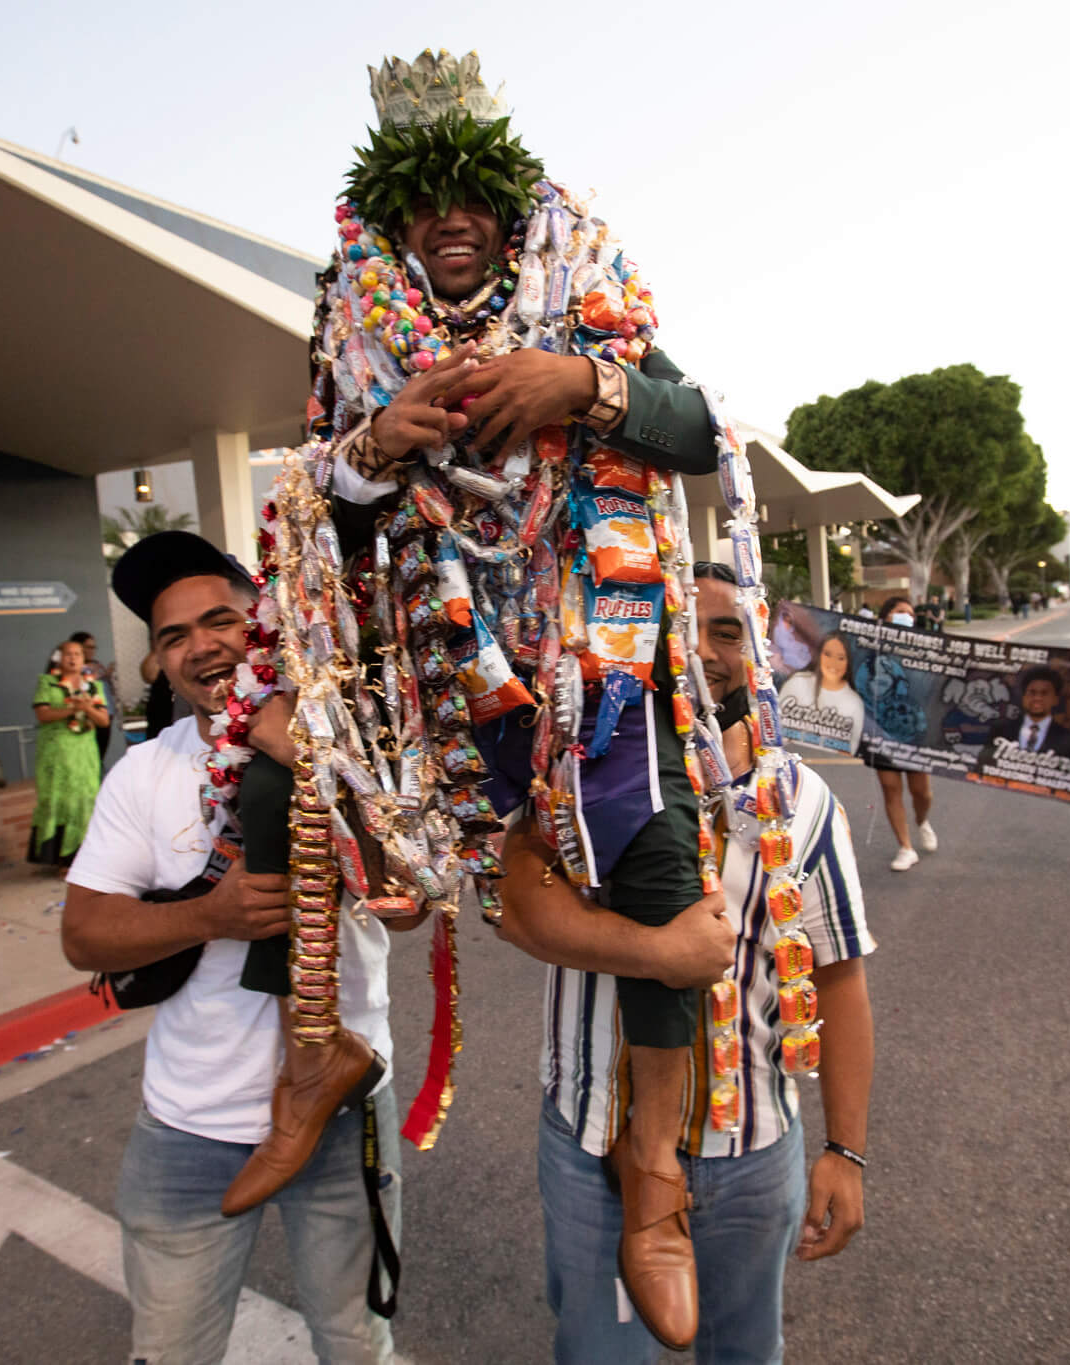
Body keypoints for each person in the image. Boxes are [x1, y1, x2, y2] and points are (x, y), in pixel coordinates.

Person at [313, 50, 747, 1346]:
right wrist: (376, 446)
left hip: (602, 659)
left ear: (511, 211)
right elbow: (326, 512)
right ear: (390, 222)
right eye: (419, 201)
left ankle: (654, 1184)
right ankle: (318, 1070)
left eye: (472, 197)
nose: (449, 219)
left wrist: (581, 386)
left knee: (660, 853)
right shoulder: (356, 328)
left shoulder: (579, 293)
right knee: (503, 885)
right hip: (459, 670)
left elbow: (701, 431)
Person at [496, 561, 876, 1364]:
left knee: (744, 1353)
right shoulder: (571, 779)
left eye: (726, 630)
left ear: (762, 650)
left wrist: (845, 1149)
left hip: (751, 1153)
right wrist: (656, 951)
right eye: (675, 628)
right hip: (592, 1143)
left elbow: (839, 978)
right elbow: (519, 910)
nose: (701, 649)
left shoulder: (804, 803)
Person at [63, 531, 411, 1364]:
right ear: (159, 664)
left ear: (261, 622)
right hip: (186, 1125)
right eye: (172, 635)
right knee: (171, 1349)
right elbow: (83, 934)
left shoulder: (350, 739)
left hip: (341, 1106)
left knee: (356, 1341)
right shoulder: (141, 774)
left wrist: (309, 756)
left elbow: (407, 910)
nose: (199, 645)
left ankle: (313, 1069)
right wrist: (207, 916)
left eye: (218, 619)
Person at [872, 595, 939, 873]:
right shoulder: (871, 647)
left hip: (914, 729)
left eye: (910, 614)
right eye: (900, 612)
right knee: (890, 788)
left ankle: (922, 821)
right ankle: (905, 847)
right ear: (885, 617)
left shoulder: (922, 647)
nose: (907, 617)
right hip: (881, 728)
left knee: (921, 791)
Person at [29, 639, 108, 868]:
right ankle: (59, 858)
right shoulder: (48, 683)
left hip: (84, 753)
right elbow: (42, 714)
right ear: (58, 659)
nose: (73, 659)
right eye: (68, 654)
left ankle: (85, 857)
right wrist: (72, 708)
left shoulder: (93, 686)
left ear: (84, 660)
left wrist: (87, 708)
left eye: (77, 654)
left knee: (86, 799)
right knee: (59, 798)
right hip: (57, 751)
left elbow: (103, 720)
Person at [778, 631, 866, 752]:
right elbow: (775, 730)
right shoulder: (797, 682)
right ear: (819, 655)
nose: (833, 663)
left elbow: (849, 753)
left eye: (840, 658)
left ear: (848, 662)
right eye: (827, 654)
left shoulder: (855, 703)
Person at [979, 666, 1070, 765]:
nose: (1037, 698)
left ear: (1055, 699)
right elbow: (983, 765)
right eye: (1032, 692)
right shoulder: (1000, 729)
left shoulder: (1068, 739)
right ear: (1023, 697)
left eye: (1044, 693)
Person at [68, 629, 119, 768]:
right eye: (88, 647)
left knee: (99, 755)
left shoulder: (97, 665)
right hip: (89, 717)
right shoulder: (74, 667)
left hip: (106, 714)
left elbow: (108, 689)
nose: (92, 650)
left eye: (93, 647)